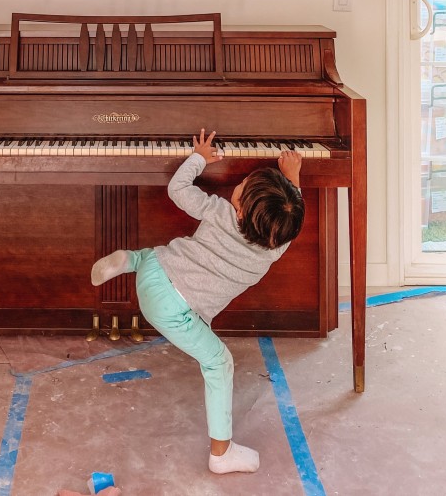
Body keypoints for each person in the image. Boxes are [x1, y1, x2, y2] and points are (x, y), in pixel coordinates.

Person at [91, 129, 304, 476]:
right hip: (174, 311)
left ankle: (128, 259)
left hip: (155, 271)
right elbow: (290, 220)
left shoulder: (217, 210)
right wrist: (293, 180)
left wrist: (200, 158)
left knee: (160, 257)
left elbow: (177, 190)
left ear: (237, 206)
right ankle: (221, 454)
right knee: (220, 364)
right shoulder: (275, 249)